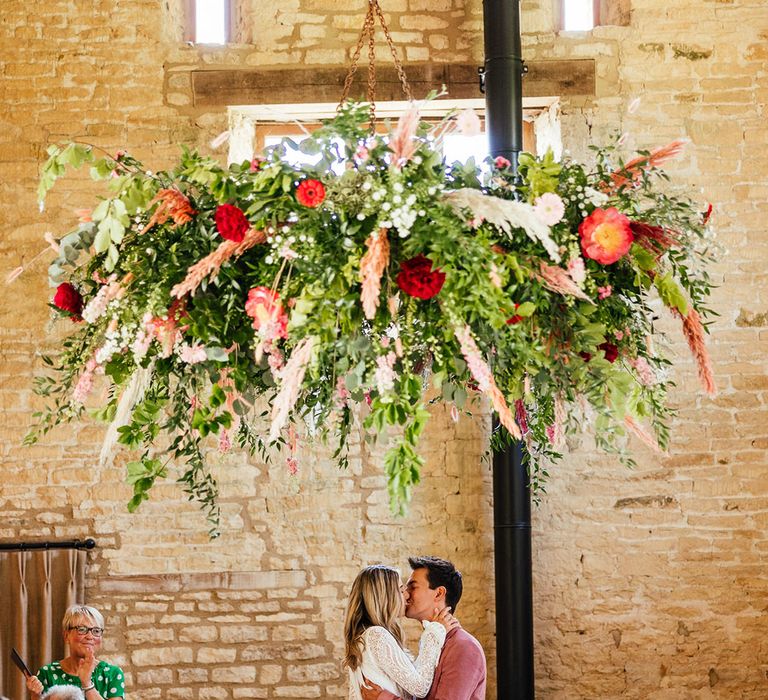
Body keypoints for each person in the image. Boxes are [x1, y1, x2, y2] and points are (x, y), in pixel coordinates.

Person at [361, 556, 486, 700]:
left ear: (438, 593)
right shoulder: (431, 643)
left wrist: (384, 698)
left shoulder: (464, 647)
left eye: (413, 587)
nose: (405, 594)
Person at [344, 564, 459, 700]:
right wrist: (434, 631)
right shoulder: (376, 635)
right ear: (384, 596)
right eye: (400, 589)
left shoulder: (366, 635)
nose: (407, 594)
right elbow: (420, 688)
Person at [25, 605, 126, 700]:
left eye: (96, 631)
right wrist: (35, 694)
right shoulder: (47, 673)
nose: (90, 636)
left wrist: (87, 684)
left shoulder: (112, 674)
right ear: (66, 636)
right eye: (82, 629)